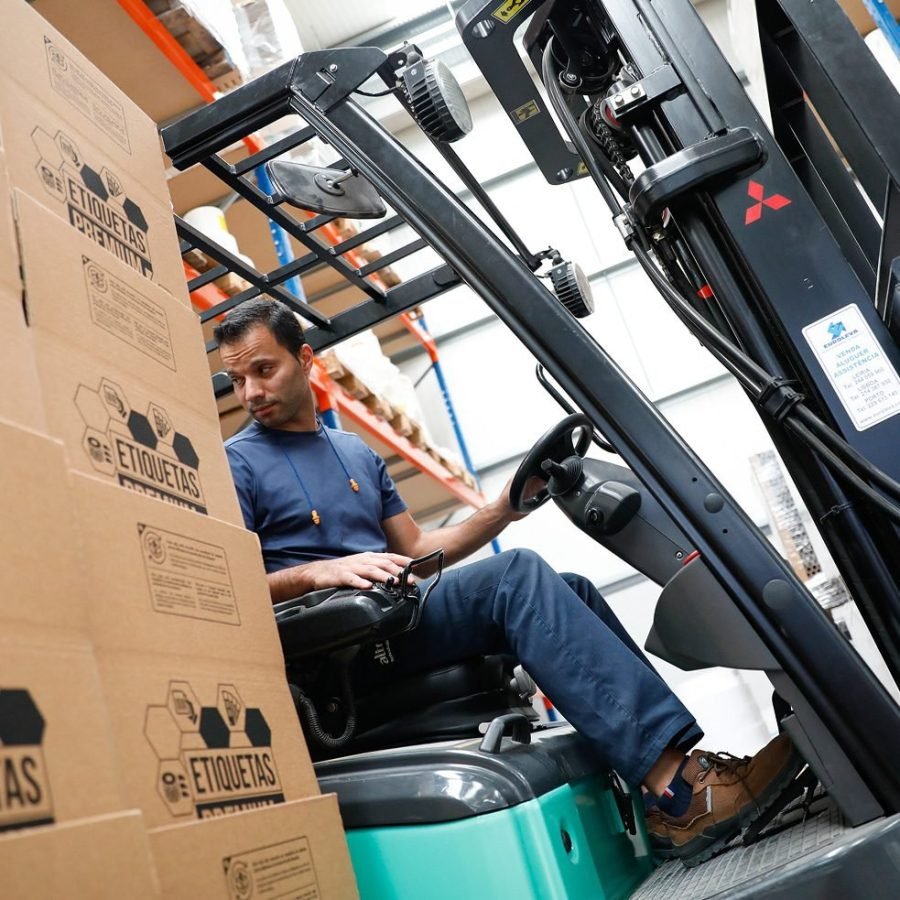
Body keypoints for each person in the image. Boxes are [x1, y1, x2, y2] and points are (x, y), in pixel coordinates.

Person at [216, 298, 802, 867]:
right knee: (515, 575)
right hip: (344, 653)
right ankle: (679, 791)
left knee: (571, 588)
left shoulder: (352, 451)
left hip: (396, 615)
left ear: (305, 358)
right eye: (238, 380)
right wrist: (316, 573)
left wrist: (503, 509)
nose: (251, 392)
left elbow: (417, 553)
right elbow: (228, 581)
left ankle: (662, 788)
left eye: (264, 370)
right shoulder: (236, 463)